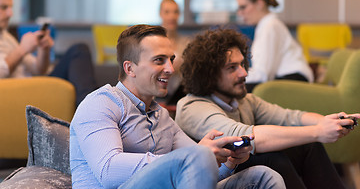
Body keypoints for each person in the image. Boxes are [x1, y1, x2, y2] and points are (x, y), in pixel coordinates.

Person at [70, 24, 285, 189]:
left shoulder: (160, 115)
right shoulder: (101, 103)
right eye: (159, 60)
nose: (171, 69)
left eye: (171, 60)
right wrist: (193, 157)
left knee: (264, 176)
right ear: (130, 68)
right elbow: (108, 170)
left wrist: (227, 160)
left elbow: (198, 174)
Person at [176, 28, 359, 189]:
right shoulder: (192, 107)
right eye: (232, 68)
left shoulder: (244, 100)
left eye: (242, 64)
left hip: (241, 168)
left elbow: (289, 117)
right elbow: (247, 136)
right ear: (208, 75)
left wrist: (330, 121)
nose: (244, 73)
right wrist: (317, 131)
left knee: (307, 145)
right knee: (271, 159)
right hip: (215, 180)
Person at [0, 0, 97, 106]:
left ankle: (92, 109)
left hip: (36, 84)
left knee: (78, 52)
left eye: (10, 7)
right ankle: (92, 113)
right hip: (24, 92)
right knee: (79, 51)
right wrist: (22, 49)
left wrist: (44, 49)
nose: (10, 14)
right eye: (3, 7)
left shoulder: (6, 36)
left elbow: (38, 70)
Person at [236, 0, 313, 92]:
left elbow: (263, 74)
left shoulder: (270, 26)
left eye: (243, 7)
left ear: (259, 3)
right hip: (287, 78)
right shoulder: (266, 26)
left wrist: (233, 76)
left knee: (235, 90)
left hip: (294, 80)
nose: (240, 13)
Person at [158, 0, 189, 105]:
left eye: (175, 12)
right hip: (157, 96)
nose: (172, 16)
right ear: (160, 14)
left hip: (179, 96)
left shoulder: (186, 42)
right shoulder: (153, 42)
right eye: (167, 12)